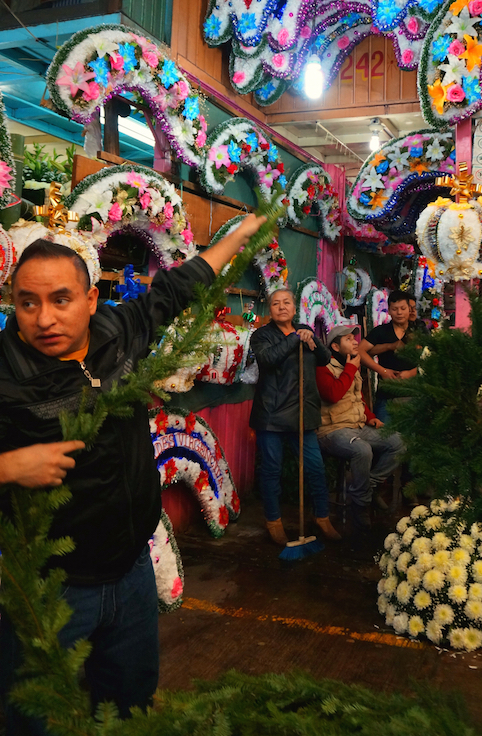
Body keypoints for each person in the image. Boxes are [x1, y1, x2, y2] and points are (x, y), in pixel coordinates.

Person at [0, 215, 265, 732]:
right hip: (50, 587)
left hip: (131, 572)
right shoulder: (5, 372)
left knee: (131, 704)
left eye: (61, 299)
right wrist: (8, 465)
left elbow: (175, 289)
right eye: (27, 303)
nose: (44, 318)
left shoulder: (116, 333)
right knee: (33, 716)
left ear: (91, 299)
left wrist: (233, 240)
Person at [249, 287, 341, 546]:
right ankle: (274, 521)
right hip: (272, 416)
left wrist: (312, 339)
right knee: (271, 471)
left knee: (315, 467)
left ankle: (322, 517)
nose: (281, 307)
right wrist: (294, 339)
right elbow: (268, 359)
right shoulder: (261, 336)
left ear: (294, 307)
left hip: (302, 414)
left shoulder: (304, 330)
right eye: (276, 303)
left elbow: (324, 359)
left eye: (286, 302)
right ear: (270, 309)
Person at [315, 324, 404, 532]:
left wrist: (371, 418)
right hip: (332, 430)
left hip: (357, 426)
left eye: (354, 338)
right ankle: (360, 504)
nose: (355, 342)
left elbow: (358, 399)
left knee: (399, 441)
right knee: (362, 450)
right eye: (349, 339)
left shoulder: (351, 365)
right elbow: (333, 395)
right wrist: (351, 369)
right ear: (336, 347)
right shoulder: (323, 367)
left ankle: (368, 487)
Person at [358, 290, 418, 423]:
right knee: (383, 437)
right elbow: (360, 351)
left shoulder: (419, 330)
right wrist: (382, 370)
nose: (399, 313)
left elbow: (430, 359)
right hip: (386, 395)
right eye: (395, 309)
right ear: (389, 311)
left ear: (410, 309)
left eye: (403, 308)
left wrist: (410, 373)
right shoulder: (381, 331)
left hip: (414, 394)